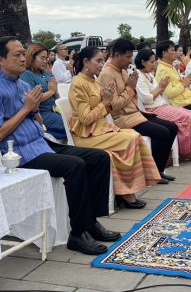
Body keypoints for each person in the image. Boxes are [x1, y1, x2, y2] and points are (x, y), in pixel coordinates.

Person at [0, 37, 120, 255]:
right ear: (1, 59)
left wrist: (34, 111)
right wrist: (27, 109)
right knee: (75, 166)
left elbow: (35, 119)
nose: (22, 58)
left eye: (22, 53)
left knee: (99, 158)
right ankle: (77, 233)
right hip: (20, 153)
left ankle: (91, 222)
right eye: (16, 55)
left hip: (41, 143)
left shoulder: (23, 85)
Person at [68, 46, 161, 205]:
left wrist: (108, 103)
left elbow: (104, 111)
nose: (100, 64)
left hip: (100, 130)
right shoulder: (78, 84)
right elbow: (86, 119)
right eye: (98, 61)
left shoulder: (94, 81)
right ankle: (125, 192)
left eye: (102, 61)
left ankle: (126, 190)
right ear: (86, 62)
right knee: (131, 138)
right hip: (86, 135)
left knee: (134, 137)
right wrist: (105, 102)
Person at [99, 38, 179, 183]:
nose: (130, 61)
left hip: (135, 113)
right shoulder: (107, 75)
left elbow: (131, 96)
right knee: (162, 133)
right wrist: (130, 88)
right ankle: (153, 173)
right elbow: (114, 105)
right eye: (128, 57)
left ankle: (159, 170)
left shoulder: (122, 72)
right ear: (117, 55)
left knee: (172, 127)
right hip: (123, 118)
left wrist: (131, 89)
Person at [134, 49, 191, 162]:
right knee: (187, 117)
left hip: (161, 105)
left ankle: (186, 150)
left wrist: (162, 88)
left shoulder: (149, 75)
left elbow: (159, 93)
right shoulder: (139, 76)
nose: (154, 65)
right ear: (143, 62)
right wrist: (161, 88)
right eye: (152, 62)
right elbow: (147, 99)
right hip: (152, 109)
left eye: (155, 61)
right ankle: (185, 151)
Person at [21, 43, 66, 142]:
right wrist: (51, 92)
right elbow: (32, 99)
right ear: (32, 57)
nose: (45, 61)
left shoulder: (46, 73)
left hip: (56, 109)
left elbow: (56, 94)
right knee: (69, 123)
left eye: (46, 58)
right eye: (42, 58)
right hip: (42, 113)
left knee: (76, 119)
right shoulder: (26, 74)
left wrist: (56, 92)